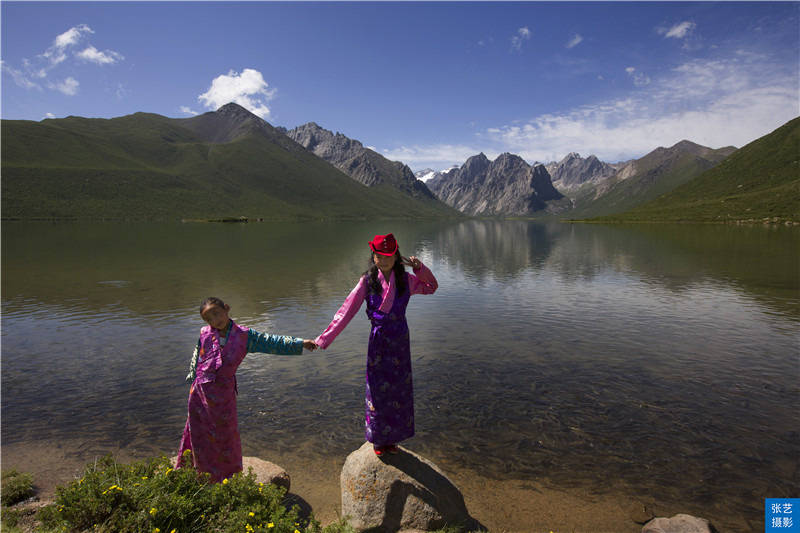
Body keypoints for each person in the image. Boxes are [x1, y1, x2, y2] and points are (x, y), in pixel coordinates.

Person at [315, 233, 438, 456]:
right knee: (378, 389)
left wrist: (420, 268)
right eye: (379, 256)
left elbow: (431, 286)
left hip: (400, 339)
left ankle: (393, 438)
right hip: (379, 341)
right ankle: (379, 440)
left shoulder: (407, 280)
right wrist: (324, 339)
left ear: (396, 256)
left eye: (389, 256)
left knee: (399, 389)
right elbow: (346, 311)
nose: (383, 260)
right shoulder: (367, 282)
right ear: (373, 256)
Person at [177, 296, 317, 482]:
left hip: (224, 395)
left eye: (217, 314)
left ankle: (226, 476)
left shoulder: (244, 336)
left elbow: (271, 342)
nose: (215, 321)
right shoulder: (205, 333)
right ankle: (198, 472)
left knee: (226, 435)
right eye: (209, 319)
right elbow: (197, 354)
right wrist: (192, 375)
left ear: (226, 308)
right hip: (200, 394)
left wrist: (300, 343)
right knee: (198, 433)